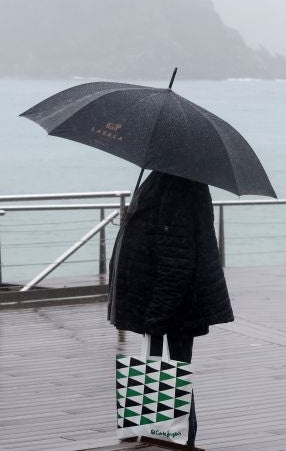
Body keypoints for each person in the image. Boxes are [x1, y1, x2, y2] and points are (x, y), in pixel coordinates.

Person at [108, 170, 234, 447]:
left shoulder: (178, 184)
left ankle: (179, 438)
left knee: (174, 372)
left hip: (175, 305)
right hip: (175, 303)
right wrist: (134, 217)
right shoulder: (169, 179)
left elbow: (177, 257)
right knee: (175, 371)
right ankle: (175, 437)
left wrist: (156, 314)